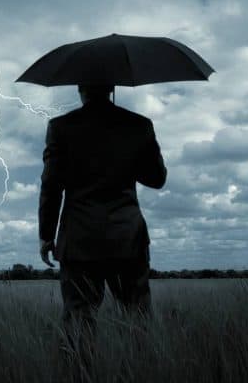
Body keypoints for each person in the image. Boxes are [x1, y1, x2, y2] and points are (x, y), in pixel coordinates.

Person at [38, 83, 167, 357]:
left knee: (78, 319)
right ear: (111, 88)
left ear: (79, 89)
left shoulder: (61, 127)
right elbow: (157, 179)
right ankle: (142, 373)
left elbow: (51, 185)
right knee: (137, 317)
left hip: (79, 239)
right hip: (127, 238)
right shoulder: (139, 125)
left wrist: (46, 235)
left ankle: (80, 375)